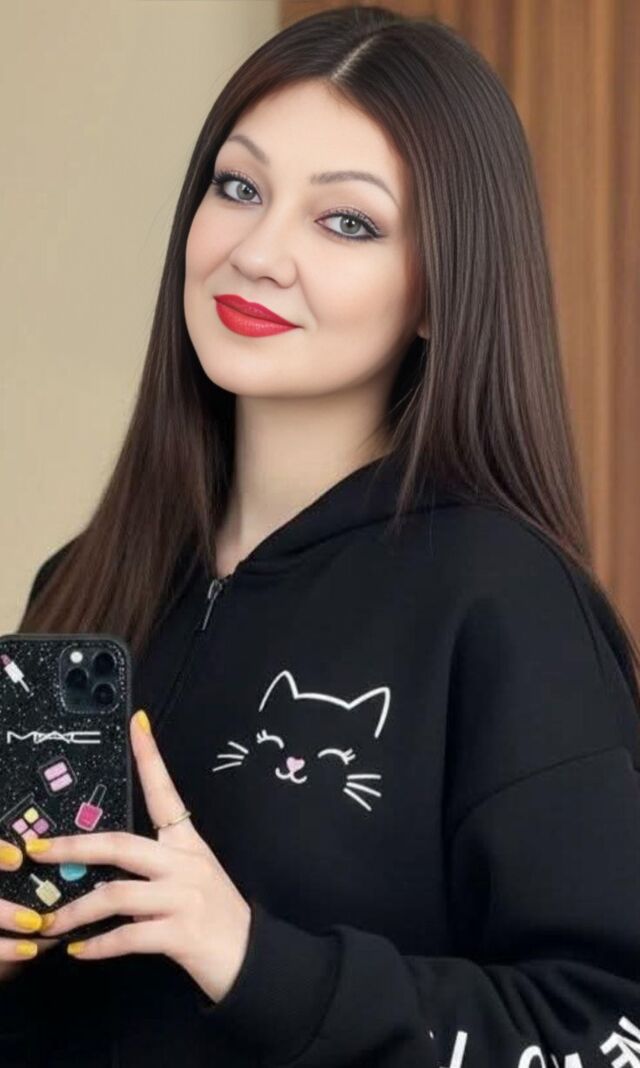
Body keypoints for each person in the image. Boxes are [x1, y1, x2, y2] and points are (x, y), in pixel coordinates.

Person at [3, 5, 640, 1066]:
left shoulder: (503, 603)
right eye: (238, 188)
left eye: (346, 221)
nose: (258, 254)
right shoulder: (84, 583)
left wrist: (256, 961)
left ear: (438, 291)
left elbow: (606, 1031)